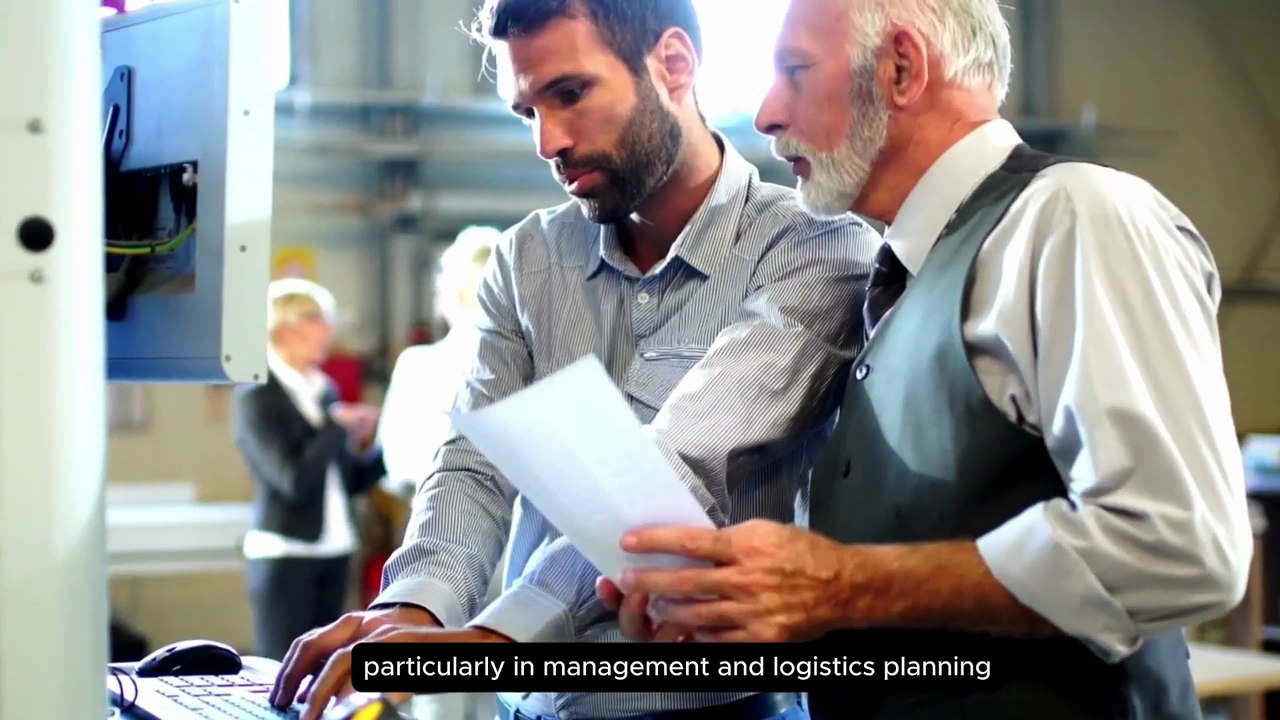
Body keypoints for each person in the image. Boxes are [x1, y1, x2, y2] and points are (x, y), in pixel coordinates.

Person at [601, 0, 1254, 718]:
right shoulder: (895, 285)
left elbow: (1177, 545)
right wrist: (751, 604)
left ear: (901, 69)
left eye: (795, 71)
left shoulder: (1073, 216)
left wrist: (843, 584)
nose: (766, 115)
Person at [269, 1, 880, 719]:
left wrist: (498, 636)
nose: (547, 141)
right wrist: (414, 608)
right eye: (526, 111)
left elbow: (674, 469)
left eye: (569, 93)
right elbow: (473, 463)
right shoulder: (525, 260)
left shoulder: (815, 248)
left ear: (673, 64)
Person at [232, 279, 386, 661]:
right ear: (286, 328)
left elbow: (349, 481)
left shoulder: (324, 390)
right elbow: (292, 479)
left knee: (326, 671)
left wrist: (390, 444)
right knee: (283, 669)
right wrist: (335, 427)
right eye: (319, 320)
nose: (329, 331)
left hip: (336, 548)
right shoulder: (256, 396)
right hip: (286, 554)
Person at [377, 224, 501, 492]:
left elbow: (398, 466)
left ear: (448, 295)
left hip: (438, 505)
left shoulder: (418, 366)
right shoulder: (537, 364)